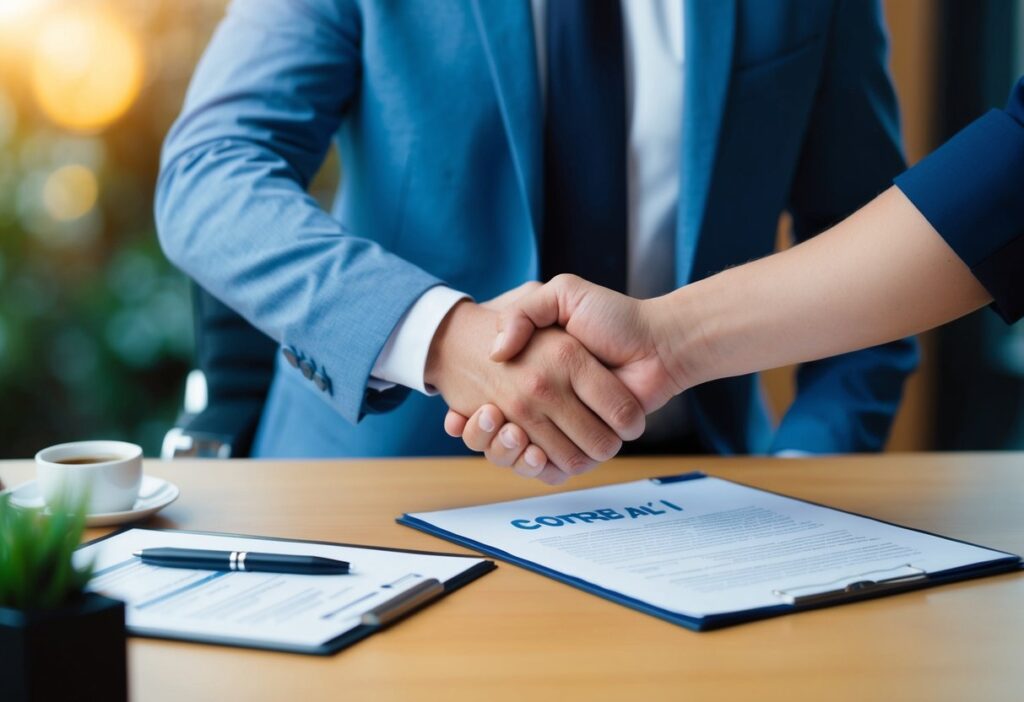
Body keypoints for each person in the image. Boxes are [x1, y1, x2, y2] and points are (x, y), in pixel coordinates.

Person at [156, 0, 916, 473]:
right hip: (382, 488)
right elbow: (209, 173)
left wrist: (808, 470)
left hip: (709, 491)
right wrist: (442, 338)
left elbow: (876, 242)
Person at [448, 76, 1024, 484]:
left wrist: (802, 485)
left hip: (733, 480)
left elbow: (872, 214)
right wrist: (446, 337)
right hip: (422, 478)